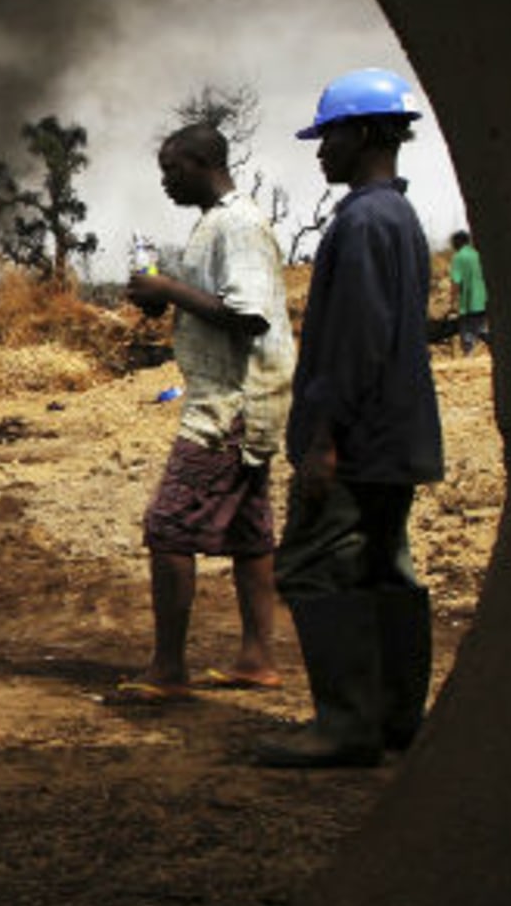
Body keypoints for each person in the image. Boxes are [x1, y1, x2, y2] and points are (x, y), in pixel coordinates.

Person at [255, 68, 445, 768]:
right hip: (398, 437)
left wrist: (323, 440)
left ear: (363, 133)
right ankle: (399, 720)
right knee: (386, 568)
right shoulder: (400, 217)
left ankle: (345, 724)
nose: (319, 150)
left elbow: (356, 341)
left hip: (358, 442)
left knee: (314, 567)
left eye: (328, 135)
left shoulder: (362, 221)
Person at [115, 123, 296, 702]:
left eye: (172, 169)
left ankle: (168, 669)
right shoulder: (218, 222)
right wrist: (164, 300)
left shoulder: (237, 225)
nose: (165, 182)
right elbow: (219, 308)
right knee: (248, 533)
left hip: (228, 406)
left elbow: (249, 315)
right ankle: (257, 658)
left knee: (169, 528)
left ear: (200, 162)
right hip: (250, 400)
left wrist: (165, 288)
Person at [449, 229, 490, 354]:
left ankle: (468, 358)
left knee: (467, 333)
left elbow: (456, 281)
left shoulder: (458, 257)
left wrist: (453, 302)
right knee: (481, 329)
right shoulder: (478, 254)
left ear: (458, 242)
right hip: (483, 300)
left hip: (468, 302)